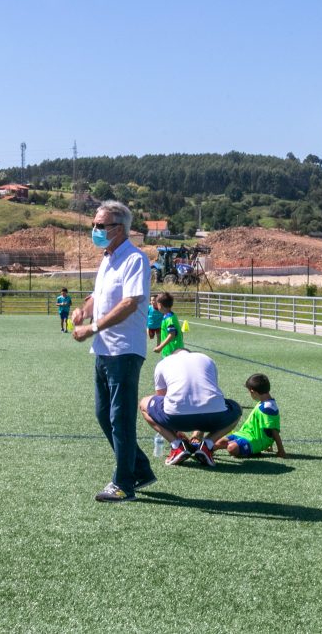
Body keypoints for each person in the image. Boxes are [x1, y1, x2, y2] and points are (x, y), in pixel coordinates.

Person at [71, 200, 155, 502]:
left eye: (99, 225)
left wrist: (93, 328)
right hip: (104, 350)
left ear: (119, 228)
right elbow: (100, 295)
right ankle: (140, 469)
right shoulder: (107, 259)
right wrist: (83, 310)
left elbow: (130, 302)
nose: (94, 230)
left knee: (120, 417)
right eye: (93, 224)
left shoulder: (135, 259)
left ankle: (124, 484)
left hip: (124, 350)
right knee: (103, 414)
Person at [139, 347, 242, 467]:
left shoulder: (164, 362)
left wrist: (176, 431)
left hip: (176, 419)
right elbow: (207, 395)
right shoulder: (206, 359)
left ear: (173, 355)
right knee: (237, 409)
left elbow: (161, 397)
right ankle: (207, 445)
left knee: (143, 404)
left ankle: (177, 444)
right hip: (213, 418)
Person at [214, 373, 286, 459]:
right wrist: (270, 446)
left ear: (252, 392)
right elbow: (265, 428)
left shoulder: (268, 408)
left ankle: (248, 451)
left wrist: (281, 450)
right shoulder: (263, 403)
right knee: (218, 442)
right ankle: (203, 450)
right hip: (245, 434)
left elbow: (273, 430)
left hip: (255, 441)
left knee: (231, 448)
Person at [151, 291, 183, 358]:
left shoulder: (169, 319)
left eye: (157, 304)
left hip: (173, 352)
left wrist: (160, 347)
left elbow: (172, 334)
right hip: (170, 351)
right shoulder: (167, 316)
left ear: (160, 305)